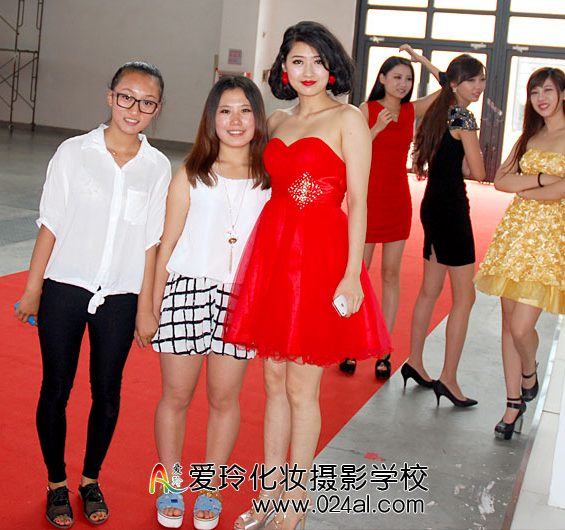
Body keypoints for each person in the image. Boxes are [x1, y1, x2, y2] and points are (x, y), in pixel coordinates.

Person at [223, 21, 392, 530]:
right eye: (298, 61)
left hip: (320, 260)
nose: (308, 71)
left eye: (318, 61)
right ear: (284, 69)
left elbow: (359, 201)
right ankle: (270, 495)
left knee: (302, 388)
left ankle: (295, 503)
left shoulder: (349, 118)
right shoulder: (276, 120)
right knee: (273, 382)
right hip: (274, 258)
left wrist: (351, 274)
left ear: (332, 66)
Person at [14, 61, 170, 528]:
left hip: (121, 296)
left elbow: (151, 242)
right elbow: (50, 223)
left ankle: (90, 480)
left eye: (147, 103)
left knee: (107, 392)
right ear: (110, 97)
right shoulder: (73, 152)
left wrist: (147, 308)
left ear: (157, 109)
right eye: (126, 97)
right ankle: (56, 483)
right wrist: (33, 288)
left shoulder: (157, 167)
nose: (134, 109)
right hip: (65, 288)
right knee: (56, 388)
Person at [150, 76, 271, 530]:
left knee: (224, 399)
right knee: (176, 397)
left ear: (258, 118)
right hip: (186, 293)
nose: (235, 121)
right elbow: (166, 245)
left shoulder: (270, 180)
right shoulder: (191, 174)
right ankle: (171, 485)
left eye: (245, 110)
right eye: (225, 111)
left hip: (242, 299)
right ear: (211, 118)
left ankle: (211, 488)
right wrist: (151, 306)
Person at [473, 67, 565, 440]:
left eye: (548, 90)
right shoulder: (529, 136)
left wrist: (527, 190)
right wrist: (539, 180)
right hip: (515, 236)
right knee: (508, 322)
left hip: (550, 240)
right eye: (535, 92)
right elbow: (501, 180)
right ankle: (512, 404)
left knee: (522, 327)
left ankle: (529, 370)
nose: (541, 98)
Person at [340, 45, 442, 378]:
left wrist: (420, 58)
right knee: (360, 273)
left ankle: (383, 348)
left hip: (398, 201)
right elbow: (349, 153)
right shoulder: (365, 110)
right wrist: (375, 130)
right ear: (382, 78)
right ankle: (351, 344)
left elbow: (450, 87)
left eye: (408, 79)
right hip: (367, 202)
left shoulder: (412, 111)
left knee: (391, 275)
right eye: (396, 77)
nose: (403, 84)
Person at [401, 54, 486, 408]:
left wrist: (417, 56)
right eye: (472, 80)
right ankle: (448, 378)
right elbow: (479, 172)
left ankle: (414, 361)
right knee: (465, 297)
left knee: (429, 290)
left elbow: (440, 74)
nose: (478, 87)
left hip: (432, 205)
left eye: (481, 80)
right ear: (456, 84)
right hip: (451, 209)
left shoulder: (439, 110)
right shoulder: (463, 116)